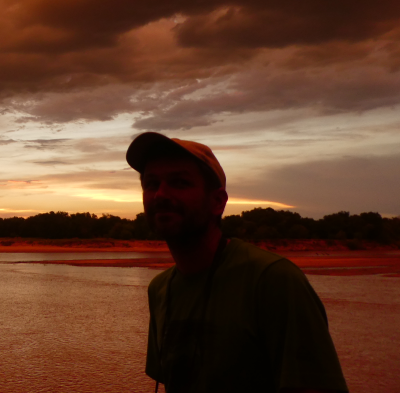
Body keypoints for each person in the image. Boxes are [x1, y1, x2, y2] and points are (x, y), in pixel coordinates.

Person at [126, 131, 348, 393]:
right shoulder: (160, 290)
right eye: (151, 183)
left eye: (179, 182)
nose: (160, 194)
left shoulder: (273, 281)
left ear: (217, 202)